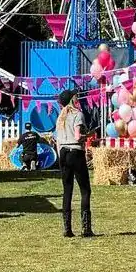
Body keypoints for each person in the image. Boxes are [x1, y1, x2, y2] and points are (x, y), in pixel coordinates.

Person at [54, 90, 93, 237]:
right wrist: (87, 136)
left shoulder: (60, 117)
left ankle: (67, 228)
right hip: (75, 152)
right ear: (72, 100)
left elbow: (58, 140)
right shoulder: (78, 114)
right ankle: (86, 228)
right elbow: (77, 137)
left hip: (63, 152)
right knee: (85, 190)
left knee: (67, 190)